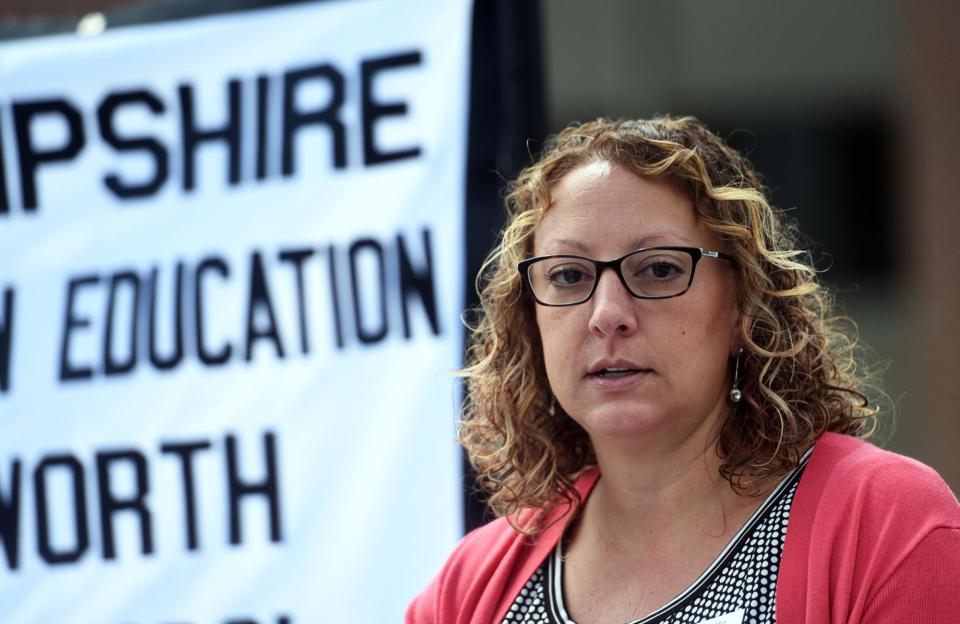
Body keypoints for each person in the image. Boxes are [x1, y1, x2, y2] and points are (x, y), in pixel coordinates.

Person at [406, 116, 960, 624]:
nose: (607, 316)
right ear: (530, 319)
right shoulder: (470, 590)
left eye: (659, 268)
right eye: (569, 276)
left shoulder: (887, 522)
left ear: (744, 302)